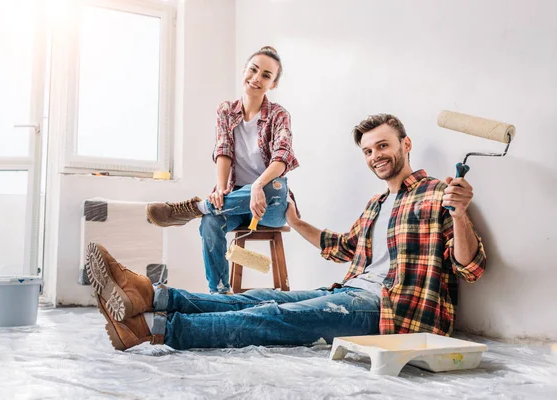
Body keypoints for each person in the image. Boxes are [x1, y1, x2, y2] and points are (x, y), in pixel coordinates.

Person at [86, 113, 486, 351]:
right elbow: (341, 247)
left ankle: (152, 328)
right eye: (367, 151)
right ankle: (153, 295)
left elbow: (470, 268)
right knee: (261, 296)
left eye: (382, 146)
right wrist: (295, 223)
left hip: (392, 311)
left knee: (275, 316)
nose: (375, 156)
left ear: (405, 144)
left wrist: (462, 213)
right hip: (350, 292)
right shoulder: (377, 204)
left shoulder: (439, 194)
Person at [145, 46, 299, 294]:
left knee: (274, 186)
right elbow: (223, 150)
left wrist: (258, 185)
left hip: (271, 205)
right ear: (244, 70)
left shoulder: (279, 114)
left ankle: (196, 207)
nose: (257, 78)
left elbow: (282, 157)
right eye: (253, 69)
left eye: (266, 75)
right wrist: (221, 188)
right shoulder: (226, 111)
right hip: (235, 201)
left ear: (274, 84)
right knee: (210, 221)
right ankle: (219, 293)